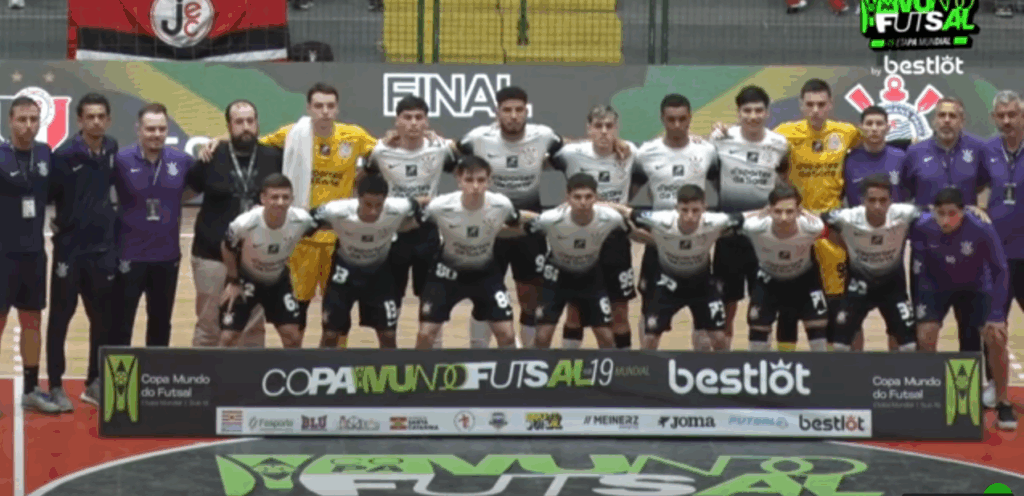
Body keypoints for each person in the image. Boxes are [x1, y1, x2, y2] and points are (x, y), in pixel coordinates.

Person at [253, 83, 377, 336]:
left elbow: (387, 153)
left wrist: (363, 174)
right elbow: (250, 146)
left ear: (337, 109)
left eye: (330, 106)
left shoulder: (354, 136)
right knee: (297, 312)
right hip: (302, 238)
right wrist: (217, 142)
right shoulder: (293, 134)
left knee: (336, 315)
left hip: (339, 240)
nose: (325, 111)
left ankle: (332, 357)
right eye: (319, 106)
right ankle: (296, 357)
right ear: (309, 108)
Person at [458, 86, 564, 348]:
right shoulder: (478, 138)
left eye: (519, 110)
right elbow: (448, 152)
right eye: (507, 110)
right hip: (490, 229)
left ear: (527, 111)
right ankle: (478, 353)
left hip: (529, 229)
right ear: (497, 112)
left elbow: (570, 149)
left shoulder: (544, 135)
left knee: (530, 297)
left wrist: (614, 144)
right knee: (484, 295)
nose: (513, 116)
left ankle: (527, 358)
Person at [910, 187, 1016, 431]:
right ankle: (929, 396)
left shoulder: (981, 228)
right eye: (941, 214)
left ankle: (1003, 402)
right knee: (925, 335)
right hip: (935, 286)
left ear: (963, 211)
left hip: (975, 287)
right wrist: (918, 307)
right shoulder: (923, 226)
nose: (946, 220)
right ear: (933, 212)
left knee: (996, 336)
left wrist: (997, 313)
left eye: (952, 214)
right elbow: (917, 268)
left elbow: (1000, 269)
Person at [360, 95, 457, 348]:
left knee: (432, 299)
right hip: (392, 235)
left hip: (427, 233)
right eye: (407, 117)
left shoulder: (440, 148)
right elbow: (362, 177)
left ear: (426, 122)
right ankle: (390, 358)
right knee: (390, 300)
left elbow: (467, 153)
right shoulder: (381, 151)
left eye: (419, 118)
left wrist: (444, 139)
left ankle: (431, 356)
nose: (413, 123)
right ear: (397, 121)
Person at [187, 99, 282, 349]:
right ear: (229, 126)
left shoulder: (274, 157)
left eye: (250, 121)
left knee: (252, 329)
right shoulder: (211, 156)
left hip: (256, 258)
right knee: (209, 326)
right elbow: (186, 191)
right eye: (239, 122)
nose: (246, 127)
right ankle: (202, 372)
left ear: (258, 123)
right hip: (211, 256)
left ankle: (250, 375)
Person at [45, 93, 120, 411]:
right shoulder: (63, 155)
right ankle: (56, 385)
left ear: (109, 120)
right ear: (79, 120)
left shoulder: (112, 148)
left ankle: (94, 382)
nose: (96, 122)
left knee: (102, 320)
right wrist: (62, 224)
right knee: (60, 319)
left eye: (101, 116)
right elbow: (49, 195)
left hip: (102, 250)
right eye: (90, 116)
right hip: (70, 252)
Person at [773, 78, 859, 351]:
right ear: (801, 105)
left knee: (834, 299)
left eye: (821, 104)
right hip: (795, 227)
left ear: (830, 104)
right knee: (788, 302)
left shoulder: (846, 132)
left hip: (830, 229)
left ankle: (830, 365)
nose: (815, 110)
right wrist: (720, 132)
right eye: (810, 104)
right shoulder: (784, 133)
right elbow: (754, 143)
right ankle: (786, 362)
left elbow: (876, 140)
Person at [613, 185, 744, 351]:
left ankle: (725, 367)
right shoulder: (660, 219)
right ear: (676, 208)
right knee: (650, 338)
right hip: (668, 285)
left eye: (695, 210)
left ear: (704, 208)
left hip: (702, 286)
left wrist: (767, 211)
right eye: (684, 210)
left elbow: (744, 217)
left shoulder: (716, 221)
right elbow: (626, 211)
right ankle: (645, 366)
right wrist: (597, 204)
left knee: (719, 338)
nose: (690, 216)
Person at [549, 105, 638, 350]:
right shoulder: (571, 153)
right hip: (579, 239)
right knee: (574, 311)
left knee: (620, 311)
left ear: (617, 128)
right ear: (589, 129)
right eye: (598, 126)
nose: (604, 131)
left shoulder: (630, 152)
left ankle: (622, 367)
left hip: (615, 240)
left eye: (609, 126)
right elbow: (540, 155)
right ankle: (570, 366)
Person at [633, 94, 718, 347]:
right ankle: (646, 363)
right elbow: (630, 192)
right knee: (648, 311)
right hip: (659, 243)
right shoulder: (646, 153)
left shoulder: (706, 150)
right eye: (671, 120)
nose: (677, 125)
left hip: (697, 243)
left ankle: (701, 365)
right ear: (662, 119)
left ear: (690, 118)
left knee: (703, 319)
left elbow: (721, 186)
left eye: (682, 119)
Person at [710, 85, 791, 351]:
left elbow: (783, 179)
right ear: (738, 113)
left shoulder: (779, 144)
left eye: (758, 110)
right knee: (726, 307)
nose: (753, 116)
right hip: (729, 235)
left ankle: (760, 363)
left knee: (763, 307)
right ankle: (723, 363)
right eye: (747, 110)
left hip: (763, 238)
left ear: (767, 112)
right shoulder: (721, 139)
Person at [415, 155, 525, 349]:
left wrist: (547, 220)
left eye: (481, 180)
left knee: (507, 335)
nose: (475, 186)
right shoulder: (440, 206)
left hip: (485, 274)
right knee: (425, 335)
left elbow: (517, 222)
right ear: (459, 181)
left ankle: (508, 368)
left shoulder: (502, 205)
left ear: (489, 181)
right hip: (446, 275)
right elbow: (414, 222)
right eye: (469, 180)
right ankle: (418, 368)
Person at [111, 103, 197, 347]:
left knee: (161, 322)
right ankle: (122, 372)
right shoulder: (121, 159)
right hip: (128, 255)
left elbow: (196, 186)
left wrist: (173, 200)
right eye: (150, 129)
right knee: (121, 322)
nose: (156, 134)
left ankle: (155, 370)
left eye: (161, 129)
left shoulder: (182, 160)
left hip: (166, 256)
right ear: (138, 129)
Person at [309, 174, 421, 349]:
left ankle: (389, 367)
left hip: (379, 274)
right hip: (344, 273)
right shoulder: (336, 210)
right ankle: (321, 366)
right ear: (357, 197)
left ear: (386, 200)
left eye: (379, 205)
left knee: (388, 335)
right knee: (330, 334)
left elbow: (417, 207)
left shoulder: (399, 207)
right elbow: (308, 219)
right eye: (368, 205)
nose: (373, 211)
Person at [0, 96, 60, 413]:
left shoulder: (46, 154)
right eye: (22, 119)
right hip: (2, 256)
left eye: (34, 119)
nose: (28, 125)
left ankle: (31, 389)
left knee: (32, 322)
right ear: (10, 121)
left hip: (34, 254)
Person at [525, 173, 628, 349]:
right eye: (577, 197)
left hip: (590, 278)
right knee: (542, 336)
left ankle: (608, 367)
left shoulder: (612, 218)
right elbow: (523, 226)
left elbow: (632, 230)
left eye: (588, 197)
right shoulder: (550, 219)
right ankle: (538, 365)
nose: (583, 202)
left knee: (606, 338)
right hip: (556, 278)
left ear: (596, 197)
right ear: (568, 198)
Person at [822, 173, 918, 352]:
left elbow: (934, 213)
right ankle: (853, 370)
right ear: (862, 201)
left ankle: (898, 371)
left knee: (910, 346)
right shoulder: (847, 217)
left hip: (892, 285)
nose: (877, 206)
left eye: (883, 200)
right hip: (858, 284)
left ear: (891, 201)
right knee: (840, 346)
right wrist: (847, 245)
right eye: (872, 200)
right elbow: (820, 220)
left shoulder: (905, 213)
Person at [219, 174, 312, 348]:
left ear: (292, 199)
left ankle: (291, 366)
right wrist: (233, 280)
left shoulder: (302, 220)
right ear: (263, 198)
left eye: (285, 197)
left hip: (278, 281)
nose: (280, 202)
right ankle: (220, 367)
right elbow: (226, 246)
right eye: (274, 197)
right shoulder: (245, 223)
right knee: (227, 337)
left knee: (293, 337)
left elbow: (325, 224)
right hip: (246, 280)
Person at [741, 184, 830, 351]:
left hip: (804, 280)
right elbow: (738, 217)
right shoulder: (754, 227)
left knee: (819, 331)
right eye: (777, 211)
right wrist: (760, 212)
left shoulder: (812, 227)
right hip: (768, 281)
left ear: (799, 211)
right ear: (769, 210)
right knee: (757, 333)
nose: (783, 217)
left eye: (790, 212)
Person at [979, 90, 1024, 410]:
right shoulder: (987, 151)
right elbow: (972, 187)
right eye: (1001, 115)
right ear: (994, 118)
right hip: (996, 256)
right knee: (993, 325)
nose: (1007, 121)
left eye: (1013, 115)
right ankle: (996, 385)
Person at [843, 106, 907, 206]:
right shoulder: (848, 160)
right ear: (861, 128)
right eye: (869, 124)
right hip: (858, 216)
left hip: (894, 216)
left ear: (887, 128)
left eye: (879, 124)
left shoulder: (901, 158)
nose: (874, 128)